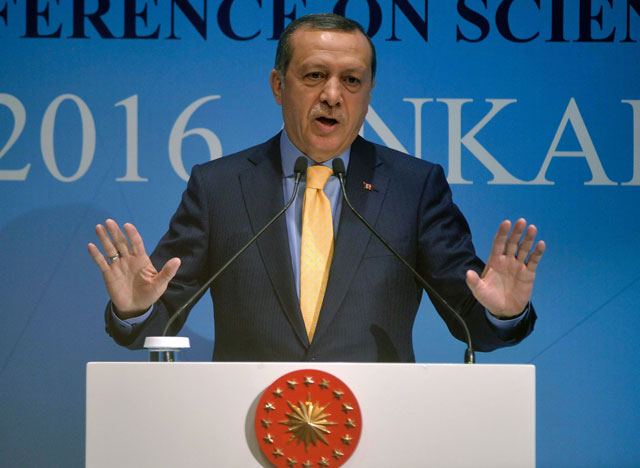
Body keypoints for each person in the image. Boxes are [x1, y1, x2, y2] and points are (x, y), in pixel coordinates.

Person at [88, 14, 545, 362]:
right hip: (245, 432)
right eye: (314, 75)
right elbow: (163, 311)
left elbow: (473, 326)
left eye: (351, 80)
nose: (332, 95)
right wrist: (135, 311)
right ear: (278, 85)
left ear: (367, 93)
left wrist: (501, 312)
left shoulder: (414, 187)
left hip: (377, 430)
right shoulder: (219, 187)